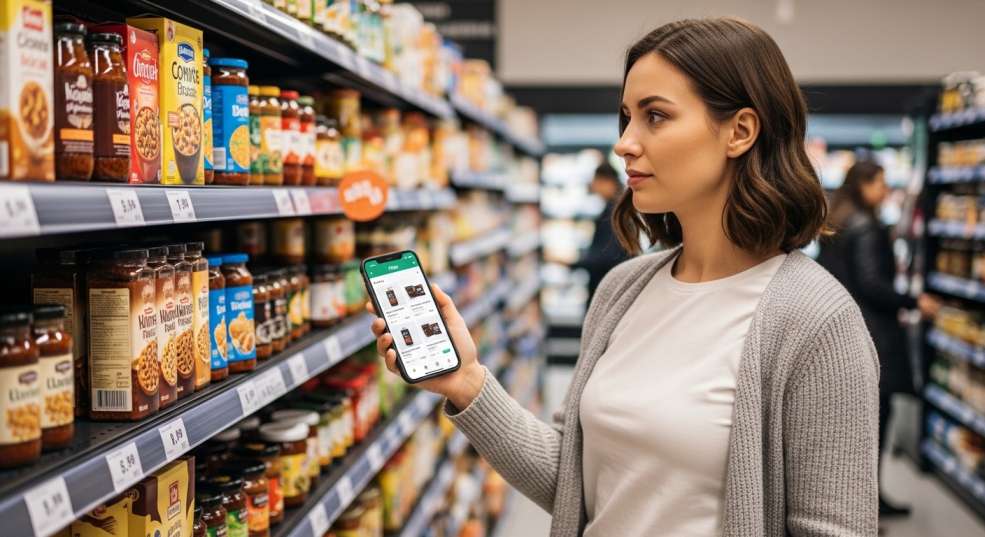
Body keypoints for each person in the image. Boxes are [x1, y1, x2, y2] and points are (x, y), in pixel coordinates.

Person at [369, 17, 879, 537]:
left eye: (655, 116)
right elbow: (573, 483)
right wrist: (467, 383)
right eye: (625, 118)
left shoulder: (818, 324)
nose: (625, 143)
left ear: (740, 131)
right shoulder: (623, 289)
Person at [818, 160, 941, 518]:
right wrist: (914, 300)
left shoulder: (837, 221)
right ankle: (866, 504)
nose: (885, 190)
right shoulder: (866, 227)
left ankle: (852, 502)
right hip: (873, 335)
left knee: (849, 429)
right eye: (880, 183)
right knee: (875, 422)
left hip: (843, 332)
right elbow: (872, 284)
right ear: (863, 185)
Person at [575, 162, 629, 299]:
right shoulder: (617, 208)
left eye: (596, 181)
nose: (593, 186)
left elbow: (607, 256)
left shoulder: (614, 212)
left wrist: (573, 262)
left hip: (608, 288)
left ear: (608, 182)